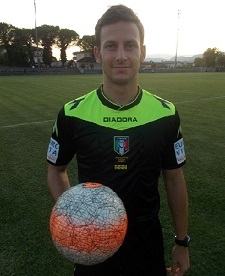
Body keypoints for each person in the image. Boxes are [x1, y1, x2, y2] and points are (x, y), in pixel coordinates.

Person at [47, 4, 190, 276]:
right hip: (92, 245)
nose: (121, 55)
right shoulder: (72, 113)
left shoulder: (166, 114)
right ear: (98, 53)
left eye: (130, 46)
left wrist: (182, 241)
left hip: (146, 243)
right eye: (111, 46)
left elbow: (174, 179)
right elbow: (56, 170)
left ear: (143, 52)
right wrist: (75, 216)